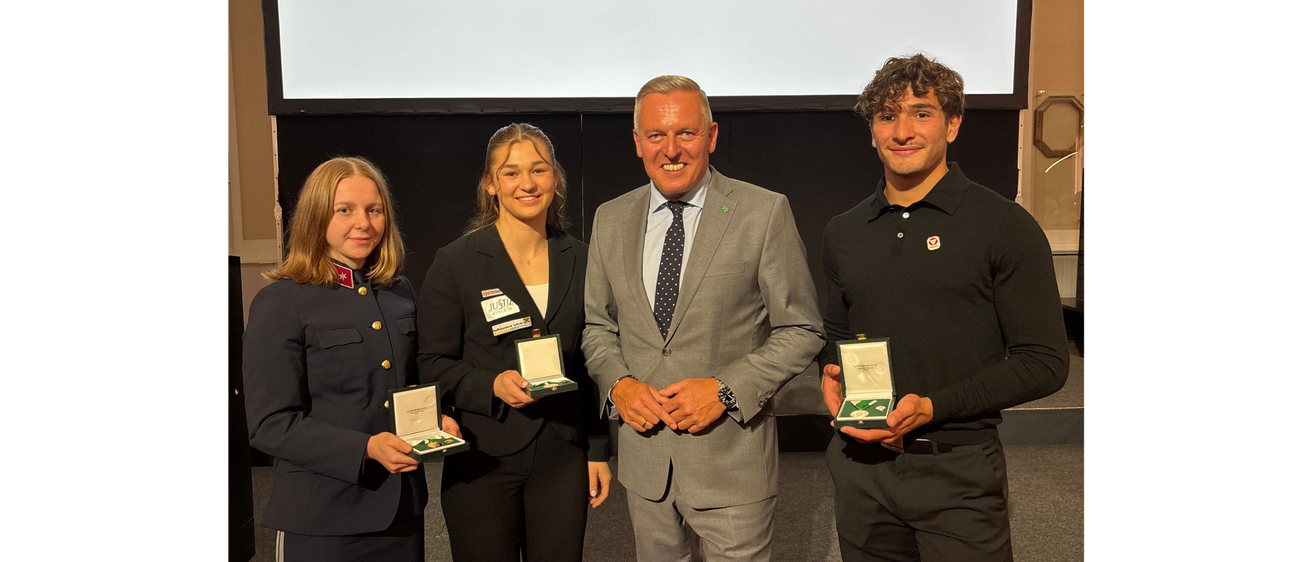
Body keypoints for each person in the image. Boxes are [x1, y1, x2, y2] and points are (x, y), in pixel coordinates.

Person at [820, 54, 1069, 561]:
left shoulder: (1005, 226)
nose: (903, 130)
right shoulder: (843, 232)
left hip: (958, 472)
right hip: (861, 468)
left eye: (921, 113)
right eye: (887, 116)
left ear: (953, 124)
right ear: (872, 131)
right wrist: (831, 368)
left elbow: (1044, 362)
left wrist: (933, 407)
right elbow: (839, 331)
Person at [582, 75, 825, 561]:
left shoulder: (763, 212)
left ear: (711, 136)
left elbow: (802, 328)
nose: (671, 149)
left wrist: (724, 388)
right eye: (656, 135)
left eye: (686, 133)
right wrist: (619, 386)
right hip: (646, 464)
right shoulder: (611, 218)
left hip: (731, 464)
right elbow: (597, 327)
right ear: (638, 143)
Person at [244, 156, 460, 562]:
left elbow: (409, 382)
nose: (363, 222)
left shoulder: (399, 292)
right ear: (315, 216)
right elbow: (270, 425)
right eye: (344, 210)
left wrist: (437, 414)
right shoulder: (281, 301)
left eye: (373, 210)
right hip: (322, 518)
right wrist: (365, 448)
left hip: (401, 511)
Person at [417, 123, 611, 562]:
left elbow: (594, 357)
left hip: (562, 455)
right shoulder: (456, 262)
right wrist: (490, 384)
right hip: (483, 456)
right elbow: (430, 362)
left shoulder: (583, 258)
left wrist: (598, 449)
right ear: (490, 184)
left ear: (555, 178)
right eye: (510, 172)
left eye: (539, 170)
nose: (527, 183)